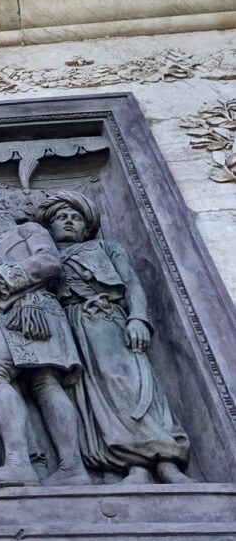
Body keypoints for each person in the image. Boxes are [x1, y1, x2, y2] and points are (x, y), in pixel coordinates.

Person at [38, 190, 191, 484]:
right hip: (68, 328)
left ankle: (167, 463)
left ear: (87, 227)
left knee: (128, 382)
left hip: (107, 320)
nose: (69, 221)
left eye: (75, 218)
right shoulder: (43, 256)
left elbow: (131, 282)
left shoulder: (106, 247)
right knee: (91, 398)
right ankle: (134, 467)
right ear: (50, 226)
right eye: (62, 217)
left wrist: (138, 318)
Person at [0, 185, 90, 488]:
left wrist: (3, 279)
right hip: (11, 314)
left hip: (30, 310)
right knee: (44, 382)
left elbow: (49, 262)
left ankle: (20, 464)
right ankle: (71, 468)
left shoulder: (28, 230)